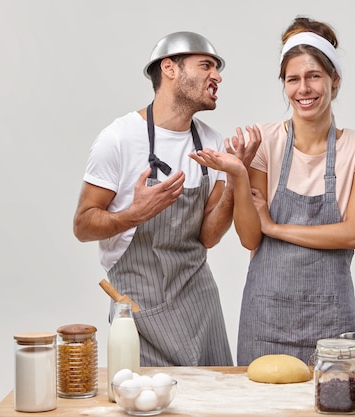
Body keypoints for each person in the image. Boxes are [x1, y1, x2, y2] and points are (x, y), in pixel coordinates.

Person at [73, 31, 260, 366]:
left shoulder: (212, 142)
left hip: (200, 307)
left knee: (216, 405)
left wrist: (235, 176)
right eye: (206, 66)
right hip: (139, 311)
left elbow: (208, 237)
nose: (217, 76)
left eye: (217, 69)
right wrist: (133, 214)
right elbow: (83, 226)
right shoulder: (118, 139)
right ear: (170, 69)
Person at [233, 17, 355, 366]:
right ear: (285, 85)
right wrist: (237, 176)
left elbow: (354, 232)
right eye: (293, 79)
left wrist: (274, 227)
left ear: (334, 81)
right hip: (265, 322)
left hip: (331, 322)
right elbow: (248, 237)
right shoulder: (264, 141)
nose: (304, 88)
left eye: (314, 76)